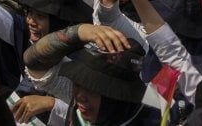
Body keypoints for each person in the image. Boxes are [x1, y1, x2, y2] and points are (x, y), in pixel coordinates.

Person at [23, 23, 161, 125]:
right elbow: (34, 62)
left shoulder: (154, 120)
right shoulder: (83, 104)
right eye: (78, 82)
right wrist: (78, 32)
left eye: (93, 88)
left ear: (120, 95)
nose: (79, 96)